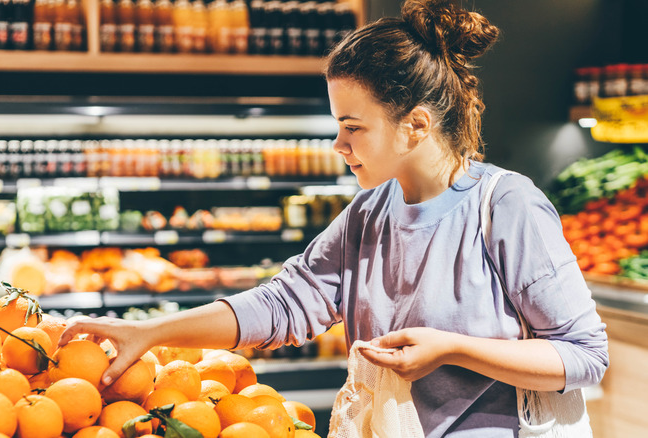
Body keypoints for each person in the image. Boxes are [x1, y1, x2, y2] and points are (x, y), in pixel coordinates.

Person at [59, 0, 609, 436]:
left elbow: (585, 355)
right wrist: (148, 333)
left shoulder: (506, 207)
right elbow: (280, 305)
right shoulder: (367, 215)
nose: (338, 143)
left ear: (415, 125)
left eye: (354, 126)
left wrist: (454, 348)